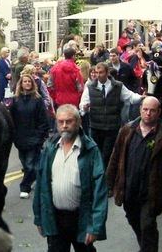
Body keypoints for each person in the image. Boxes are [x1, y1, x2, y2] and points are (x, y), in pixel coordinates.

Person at [106, 97, 162, 252]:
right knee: (133, 220)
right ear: (140, 109)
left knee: (147, 225)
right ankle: (146, 247)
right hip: (129, 189)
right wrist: (108, 183)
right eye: (145, 109)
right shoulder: (127, 130)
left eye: (152, 110)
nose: (148, 113)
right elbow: (116, 157)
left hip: (151, 191)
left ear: (158, 112)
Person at [33, 105, 107, 252]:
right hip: (55, 218)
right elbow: (41, 185)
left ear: (78, 122)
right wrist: (39, 218)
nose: (64, 126)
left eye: (69, 121)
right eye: (60, 122)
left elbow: (100, 191)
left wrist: (94, 226)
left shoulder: (90, 150)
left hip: (81, 219)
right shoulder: (49, 148)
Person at [78, 62, 144, 168]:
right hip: (96, 126)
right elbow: (82, 104)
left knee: (107, 155)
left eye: (101, 72)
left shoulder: (117, 86)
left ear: (107, 72)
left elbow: (130, 97)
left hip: (111, 127)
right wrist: (84, 108)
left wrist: (142, 97)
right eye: (97, 72)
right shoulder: (90, 87)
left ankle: (105, 176)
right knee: (96, 153)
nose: (98, 75)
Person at [10, 75, 50, 199]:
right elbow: (12, 119)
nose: (27, 83)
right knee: (27, 163)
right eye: (24, 82)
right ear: (21, 84)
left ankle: (25, 187)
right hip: (20, 137)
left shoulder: (38, 100)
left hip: (34, 137)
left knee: (30, 164)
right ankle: (42, 180)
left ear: (33, 84)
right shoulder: (15, 100)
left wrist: (41, 135)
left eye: (29, 81)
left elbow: (43, 119)